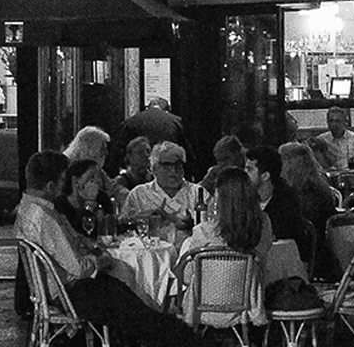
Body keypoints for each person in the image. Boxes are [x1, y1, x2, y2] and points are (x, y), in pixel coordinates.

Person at [14, 152, 215, 347]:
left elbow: (74, 239)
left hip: (64, 289)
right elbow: (78, 267)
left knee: (132, 300)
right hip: (72, 291)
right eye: (62, 180)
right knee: (140, 315)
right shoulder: (44, 218)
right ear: (50, 185)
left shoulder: (29, 208)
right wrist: (101, 261)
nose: (64, 185)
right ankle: (190, 340)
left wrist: (90, 248)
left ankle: (176, 334)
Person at [179, 167, 276, 326]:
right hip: (246, 306)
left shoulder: (204, 231)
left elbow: (187, 277)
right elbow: (262, 259)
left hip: (204, 308)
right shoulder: (263, 225)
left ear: (219, 197)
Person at [120, 141, 209, 243]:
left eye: (178, 165)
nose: (173, 171)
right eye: (167, 165)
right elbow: (122, 227)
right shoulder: (139, 194)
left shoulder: (198, 193)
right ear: (154, 169)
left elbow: (214, 229)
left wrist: (193, 225)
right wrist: (143, 219)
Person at [247, 146, 318, 261]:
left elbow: (281, 234)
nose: (245, 174)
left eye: (249, 170)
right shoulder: (247, 198)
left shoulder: (287, 200)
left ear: (265, 176)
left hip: (285, 262)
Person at [58, 159, 114, 237]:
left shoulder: (102, 197)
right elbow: (78, 232)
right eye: (91, 177)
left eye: (99, 177)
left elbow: (111, 227)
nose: (97, 181)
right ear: (75, 181)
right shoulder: (62, 204)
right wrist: (90, 203)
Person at [311, 107, 354, 171]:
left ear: (345, 122)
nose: (334, 124)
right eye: (331, 121)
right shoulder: (321, 140)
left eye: (337, 121)